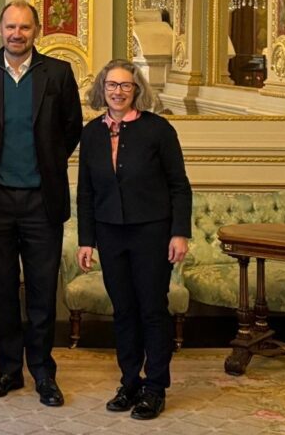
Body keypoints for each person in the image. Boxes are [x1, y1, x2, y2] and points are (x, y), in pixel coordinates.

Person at [0, 0, 82, 407]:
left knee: (42, 291)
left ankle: (44, 373)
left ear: (36, 31)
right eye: (10, 26)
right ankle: (9, 370)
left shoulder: (57, 73)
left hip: (40, 202)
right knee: (1, 290)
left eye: (25, 27)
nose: (17, 34)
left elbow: (71, 128)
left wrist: (45, 163)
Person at [76, 60, 192, 421]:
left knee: (151, 309)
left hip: (152, 232)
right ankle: (130, 381)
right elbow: (85, 192)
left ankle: (155, 387)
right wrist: (86, 241)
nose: (118, 91)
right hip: (110, 233)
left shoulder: (158, 130)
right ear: (102, 89)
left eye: (126, 85)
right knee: (123, 311)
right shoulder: (92, 133)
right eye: (112, 85)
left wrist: (179, 233)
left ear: (136, 89)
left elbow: (179, 185)